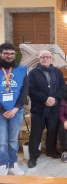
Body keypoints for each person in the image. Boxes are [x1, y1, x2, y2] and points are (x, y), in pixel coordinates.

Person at [28, 50, 66, 168]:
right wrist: (45, 99)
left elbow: (62, 88)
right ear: (39, 59)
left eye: (47, 57)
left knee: (52, 131)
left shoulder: (58, 72)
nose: (45, 59)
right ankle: (33, 156)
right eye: (42, 57)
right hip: (39, 108)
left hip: (54, 108)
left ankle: (51, 150)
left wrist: (54, 99)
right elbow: (30, 90)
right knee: (35, 133)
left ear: (51, 59)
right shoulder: (33, 73)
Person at [0, 43, 28, 175]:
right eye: (6, 53)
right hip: (0, 112)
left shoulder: (22, 70)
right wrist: (3, 111)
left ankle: (12, 165)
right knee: (1, 140)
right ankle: (2, 165)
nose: (9, 56)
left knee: (12, 140)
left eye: (11, 53)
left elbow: (24, 91)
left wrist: (16, 108)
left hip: (16, 111)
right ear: (1, 54)